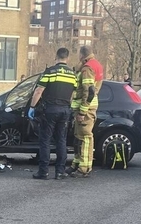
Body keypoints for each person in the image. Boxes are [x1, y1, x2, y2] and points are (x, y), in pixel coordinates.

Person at [28, 47, 76, 180]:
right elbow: (73, 94)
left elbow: (39, 91)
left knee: (45, 140)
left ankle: (43, 171)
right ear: (67, 58)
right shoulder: (72, 75)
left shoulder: (50, 72)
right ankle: (60, 171)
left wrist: (32, 107)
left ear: (56, 56)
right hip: (65, 110)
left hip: (50, 110)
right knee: (61, 140)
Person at [68, 46, 103, 177]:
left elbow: (88, 91)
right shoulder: (95, 65)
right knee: (78, 136)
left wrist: (82, 112)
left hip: (86, 109)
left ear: (81, 54)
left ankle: (84, 168)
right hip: (86, 107)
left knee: (85, 137)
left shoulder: (88, 68)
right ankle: (77, 163)